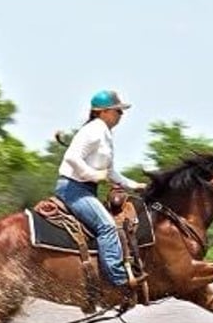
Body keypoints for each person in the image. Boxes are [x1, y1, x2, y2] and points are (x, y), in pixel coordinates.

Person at [55, 90, 148, 295]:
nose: (121, 115)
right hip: (73, 189)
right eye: (117, 111)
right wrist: (93, 174)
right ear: (103, 112)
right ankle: (118, 279)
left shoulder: (105, 133)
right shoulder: (94, 130)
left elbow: (110, 171)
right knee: (107, 226)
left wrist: (134, 185)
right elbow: (71, 157)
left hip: (83, 189)